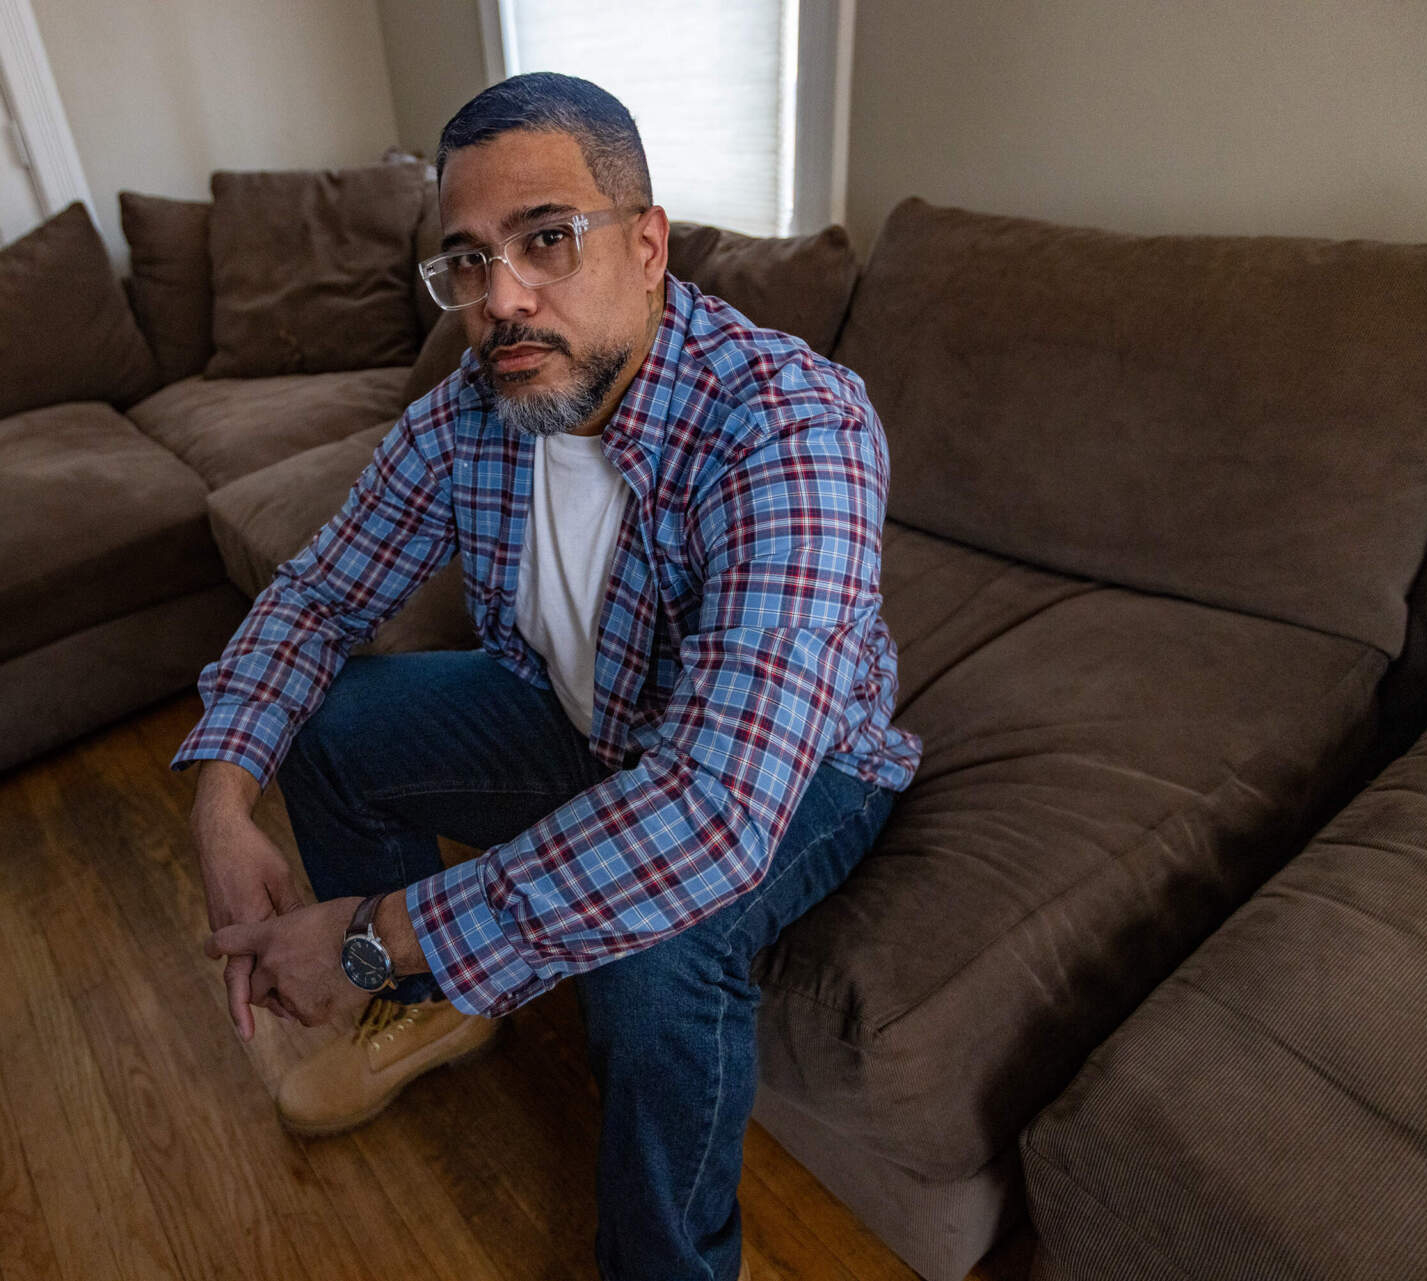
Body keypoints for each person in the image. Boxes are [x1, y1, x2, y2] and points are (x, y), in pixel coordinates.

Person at [179, 71, 921, 1281]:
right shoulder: (474, 407)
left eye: (547, 241)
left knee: (651, 956)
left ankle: (670, 1262)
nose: (503, 300)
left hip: (803, 772)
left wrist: (369, 935)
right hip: (580, 717)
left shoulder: (795, 427)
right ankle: (432, 1008)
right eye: (468, 261)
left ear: (646, 246)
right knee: (330, 722)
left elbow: (714, 812)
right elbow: (315, 598)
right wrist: (219, 801)